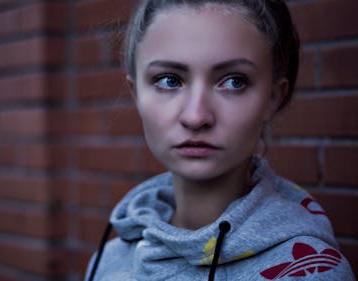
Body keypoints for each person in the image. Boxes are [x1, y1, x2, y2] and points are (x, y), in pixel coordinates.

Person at [84, 0, 355, 281]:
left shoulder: (312, 272)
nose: (196, 116)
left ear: (274, 97)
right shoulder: (108, 261)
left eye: (234, 81)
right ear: (136, 93)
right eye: (169, 80)